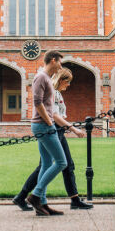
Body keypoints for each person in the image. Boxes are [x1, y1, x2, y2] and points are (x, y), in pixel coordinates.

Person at [13, 67, 93, 211]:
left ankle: (31, 198)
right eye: (67, 81)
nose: (68, 85)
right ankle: (33, 196)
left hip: (57, 130)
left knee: (55, 165)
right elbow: (55, 116)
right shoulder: (54, 94)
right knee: (58, 164)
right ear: (61, 80)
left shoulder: (57, 94)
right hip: (53, 130)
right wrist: (73, 129)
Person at [25, 50, 68, 216]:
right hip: (43, 126)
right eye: (60, 63)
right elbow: (37, 103)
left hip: (43, 125)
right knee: (61, 162)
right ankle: (36, 195)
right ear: (53, 60)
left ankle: (42, 204)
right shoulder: (41, 77)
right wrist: (50, 122)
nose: (60, 66)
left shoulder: (46, 78)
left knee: (46, 164)